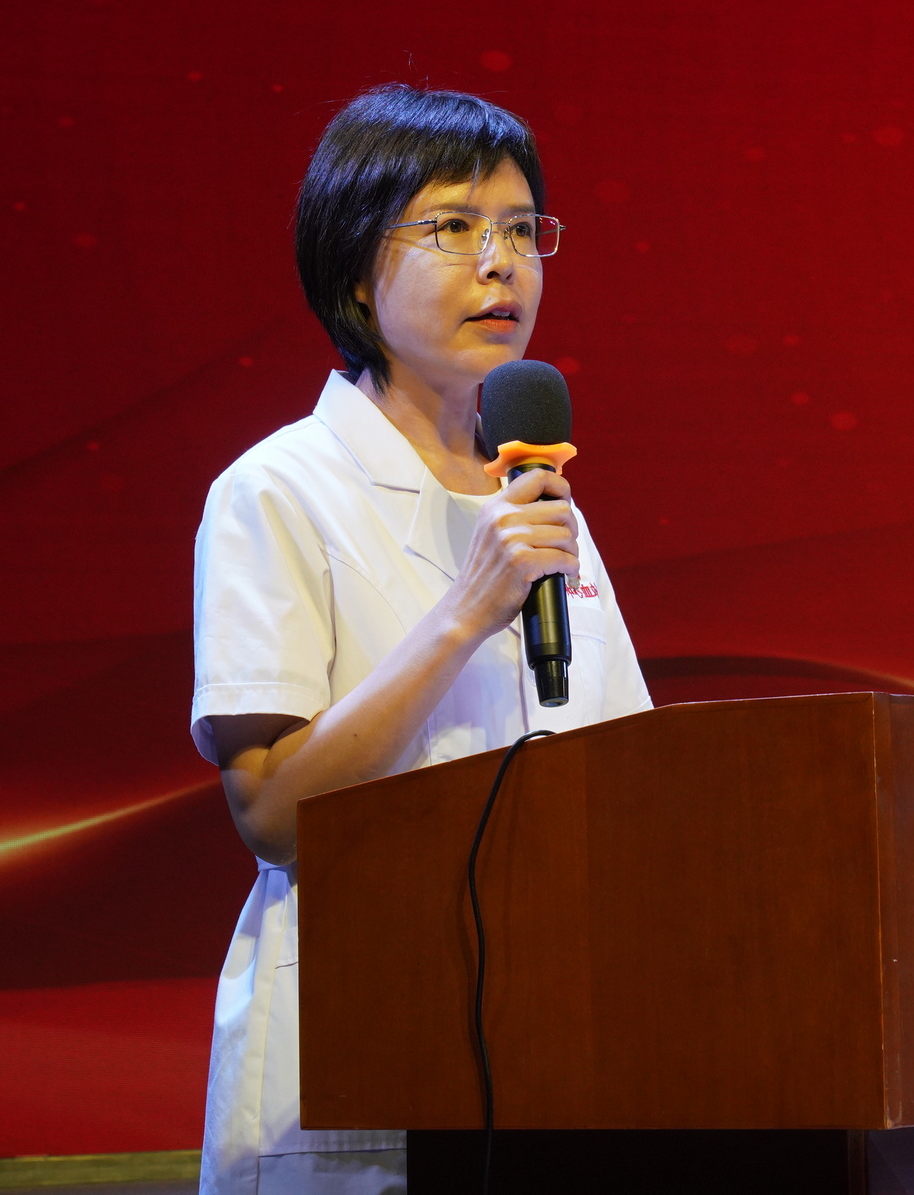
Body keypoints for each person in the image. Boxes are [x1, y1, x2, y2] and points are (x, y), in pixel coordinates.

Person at [188, 85, 653, 1195]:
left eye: (521, 229)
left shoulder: (540, 498)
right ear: (356, 272)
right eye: (452, 226)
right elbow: (273, 816)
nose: (501, 265)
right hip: (359, 1053)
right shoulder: (277, 490)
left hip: (552, 1048)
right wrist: (462, 615)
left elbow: (633, 775)